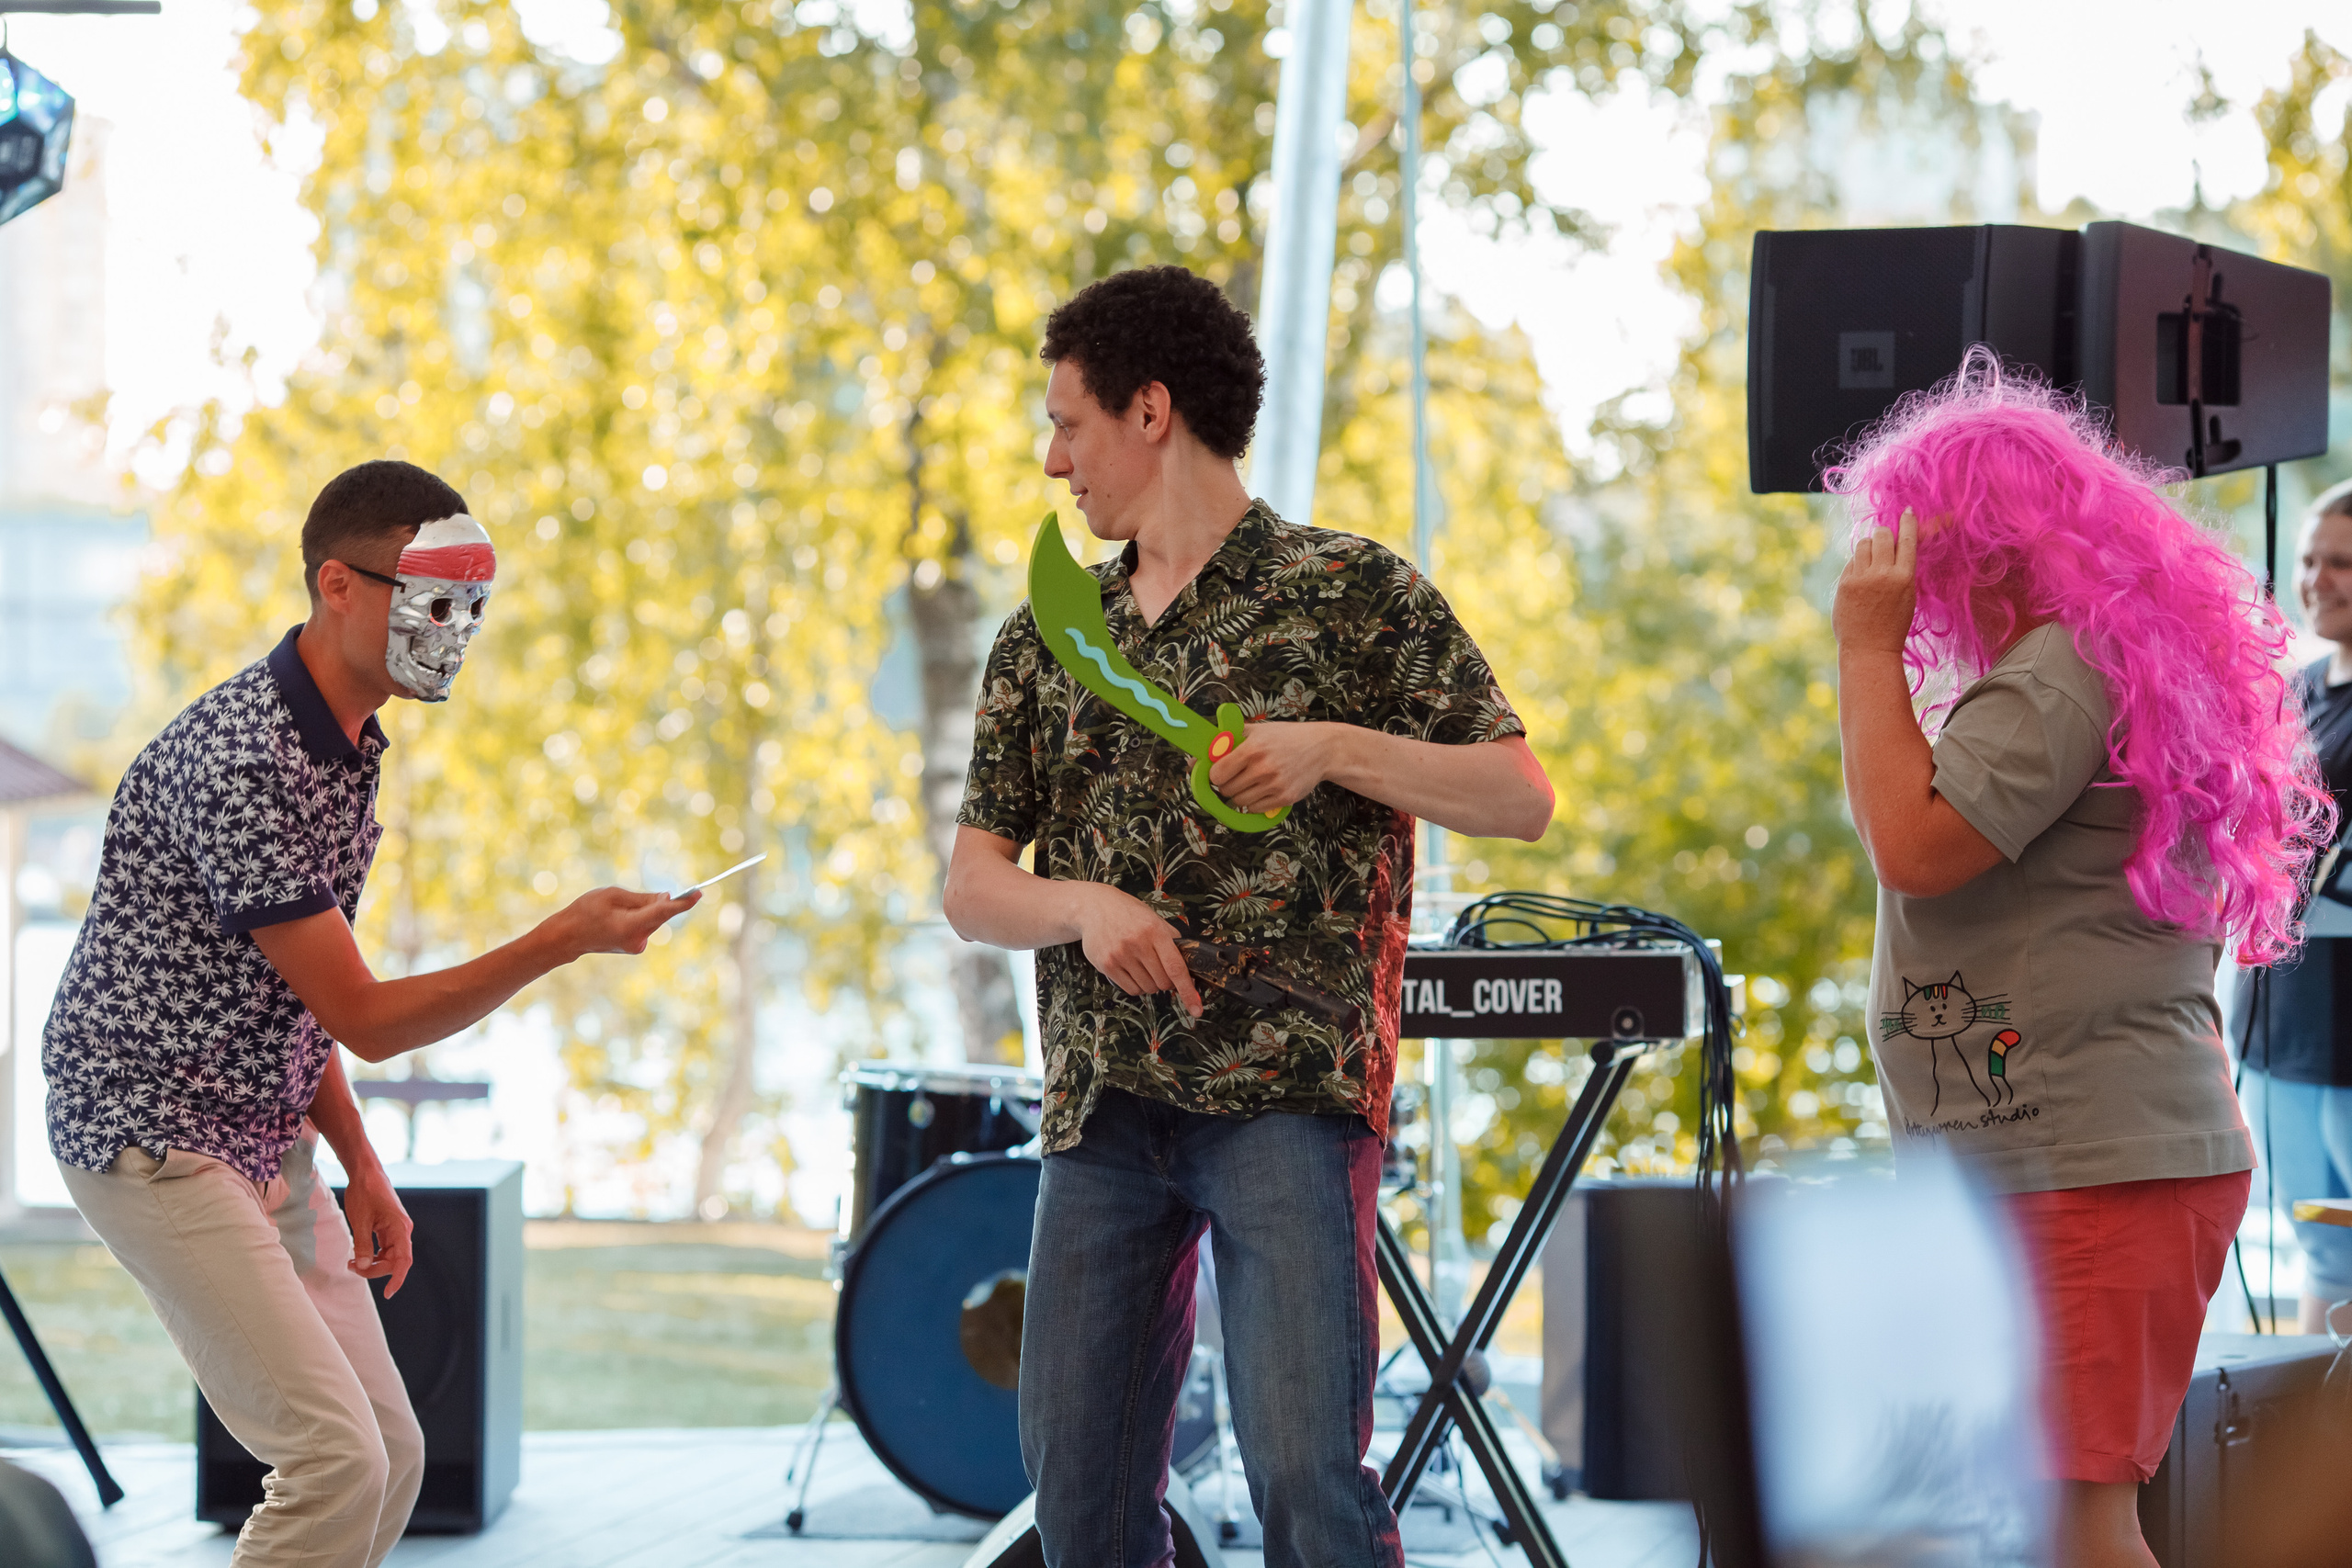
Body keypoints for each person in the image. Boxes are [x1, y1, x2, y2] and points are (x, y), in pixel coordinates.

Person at [943, 265, 1553, 1568]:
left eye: (1069, 424)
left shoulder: (1357, 593)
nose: (1055, 462)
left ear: (1150, 410)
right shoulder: (1045, 635)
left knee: (1307, 1482)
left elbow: (1519, 794)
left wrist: (1335, 746)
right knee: (1081, 1495)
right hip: (1102, 1110)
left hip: (1288, 1098)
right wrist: (1087, 904)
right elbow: (974, 885)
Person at [41, 460, 698, 1568]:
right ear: (336, 586)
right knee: (332, 1460)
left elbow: (295, 1004)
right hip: (151, 1133)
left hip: (264, 1129)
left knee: (390, 1453)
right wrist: (562, 936)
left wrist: (363, 1167)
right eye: (430, 597)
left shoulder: (346, 745)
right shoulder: (246, 759)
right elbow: (367, 1015)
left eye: (469, 605)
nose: (453, 628)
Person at [1831, 353, 2332, 1568]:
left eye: (1929, 544)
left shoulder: (2064, 665)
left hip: (2090, 1163)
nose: (1911, 573)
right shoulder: (2104, 658)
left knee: (2076, 1524)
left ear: (1990, 542)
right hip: (2074, 1153)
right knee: (2040, 1517)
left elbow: (1914, 841)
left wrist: (1864, 650)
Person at [2233, 477, 2352, 1334]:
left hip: (2349, 1021)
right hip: (2279, 1017)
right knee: (2320, 1249)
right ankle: (2315, 1455)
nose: (2317, 579)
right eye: (2310, 559)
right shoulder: (2296, 690)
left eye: (2343, 563)